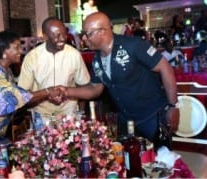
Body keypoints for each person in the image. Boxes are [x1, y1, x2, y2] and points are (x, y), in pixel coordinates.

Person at [57, 12, 179, 150]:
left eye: (87, 34)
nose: (84, 38)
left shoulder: (133, 45)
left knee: (162, 162)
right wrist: (66, 91)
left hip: (152, 117)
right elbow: (95, 88)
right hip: (127, 121)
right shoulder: (97, 58)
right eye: (82, 34)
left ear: (102, 31)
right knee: (129, 163)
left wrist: (173, 106)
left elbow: (165, 67)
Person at [18, 17, 90, 126]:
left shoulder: (74, 54)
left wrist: (80, 115)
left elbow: (85, 86)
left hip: (69, 113)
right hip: (43, 115)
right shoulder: (32, 57)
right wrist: (47, 94)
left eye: (64, 34)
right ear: (45, 36)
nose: (62, 38)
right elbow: (23, 95)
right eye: (57, 35)